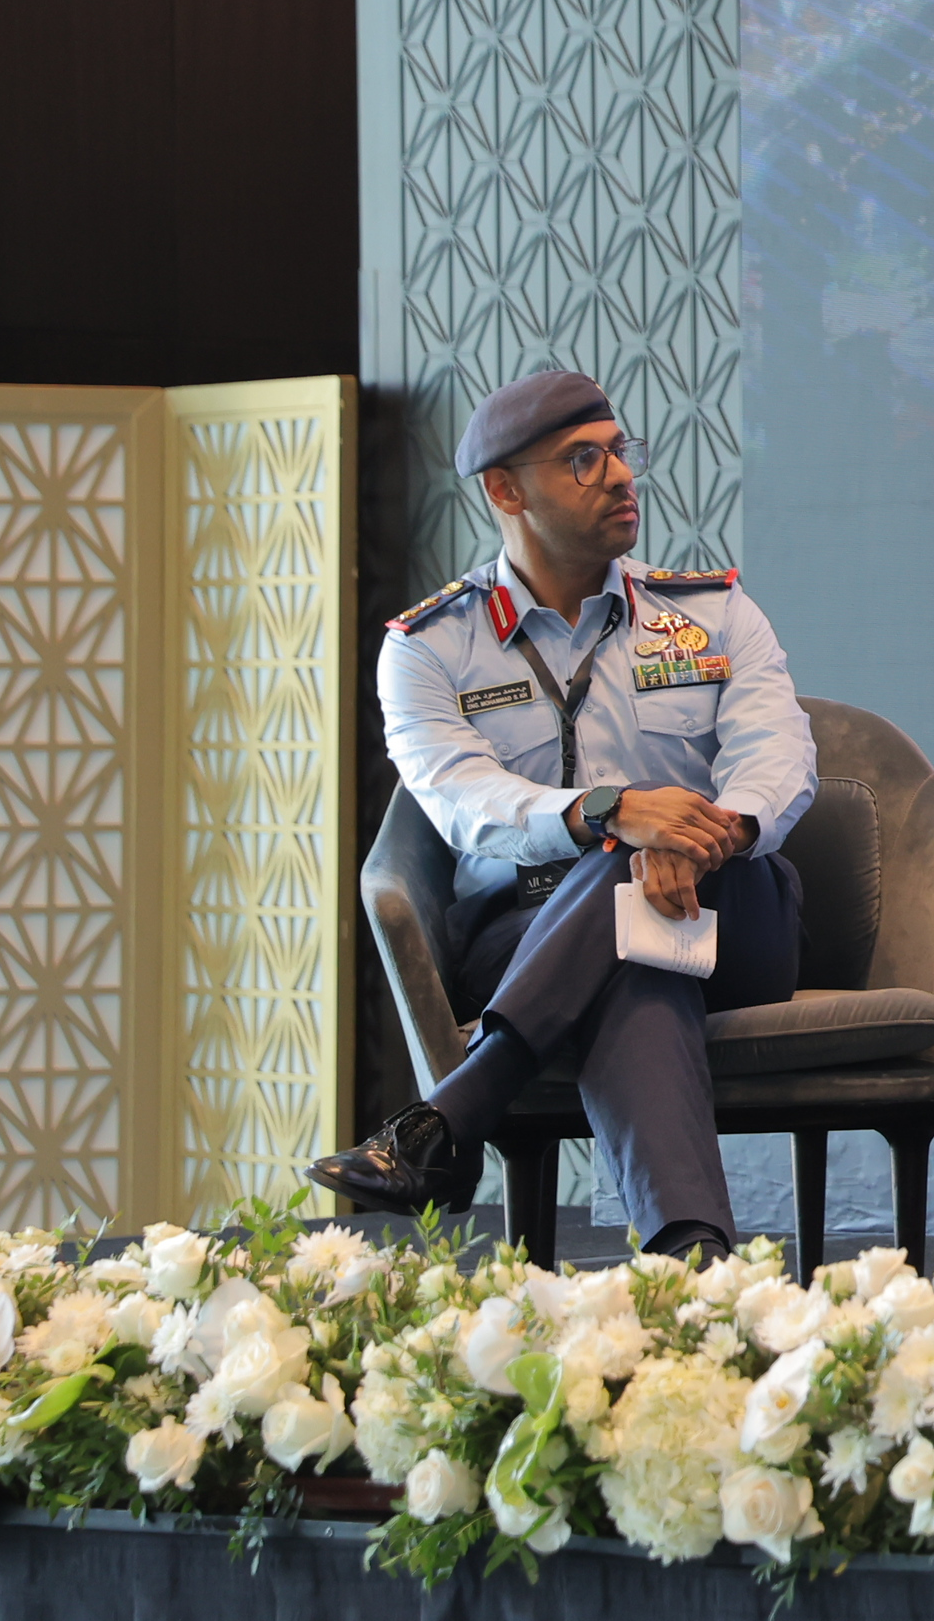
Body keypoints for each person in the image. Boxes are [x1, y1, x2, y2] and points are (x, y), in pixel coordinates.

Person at [317, 373, 817, 1263]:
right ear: (506, 491)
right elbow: (464, 802)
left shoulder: (709, 613)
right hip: (527, 930)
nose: (620, 475)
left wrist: (707, 838)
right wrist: (611, 815)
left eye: (620, 451)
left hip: (729, 909)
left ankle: (454, 1115)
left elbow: (777, 756)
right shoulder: (429, 649)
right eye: (583, 460)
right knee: (631, 942)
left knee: (630, 886)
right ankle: (692, 1257)